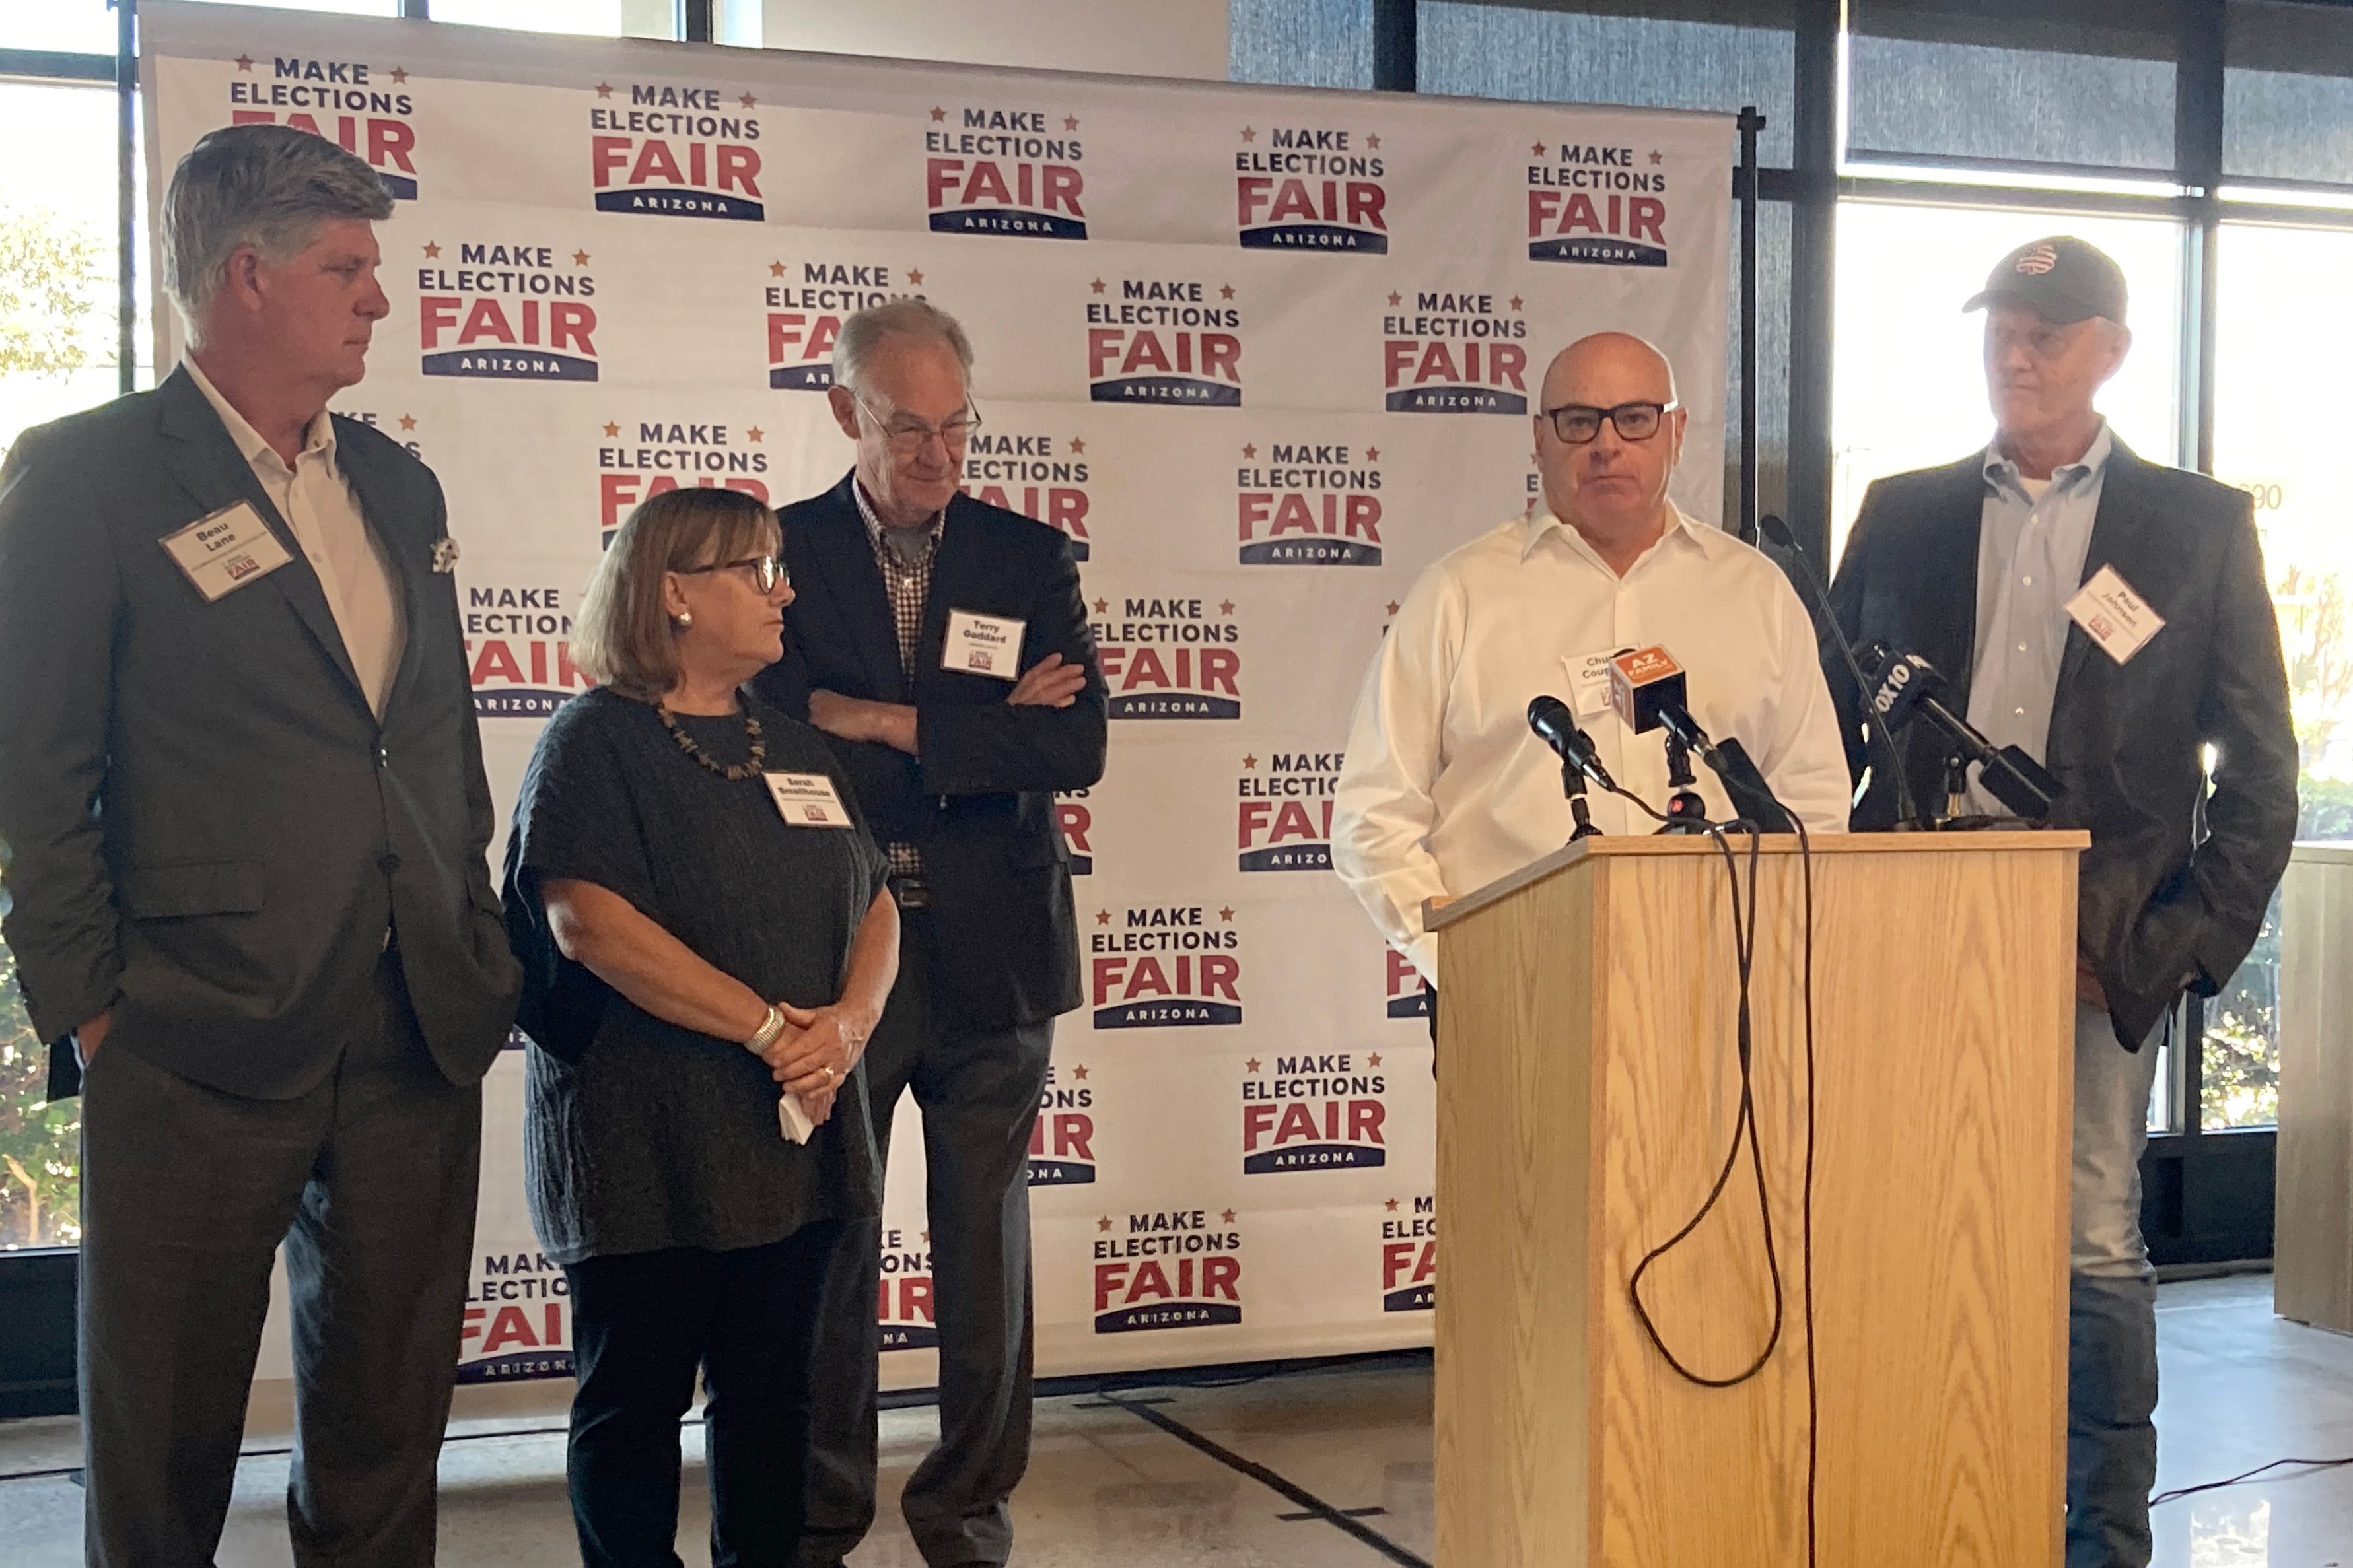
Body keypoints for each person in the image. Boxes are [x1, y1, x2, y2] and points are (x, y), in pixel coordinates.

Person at [0, 124, 522, 1565]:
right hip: (188, 1025)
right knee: (160, 1450)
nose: (377, 299)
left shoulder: (400, 487)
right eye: (346, 268)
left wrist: (466, 923)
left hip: (415, 1018)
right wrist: (93, 1004)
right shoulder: (87, 477)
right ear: (247, 277)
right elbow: (33, 769)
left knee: (384, 1433)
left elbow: (426, 736)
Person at [1826, 236, 2296, 1568]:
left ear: (2110, 348)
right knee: (1906, 1219)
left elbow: (2261, 777)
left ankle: (2099, 1538)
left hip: (2095, 941)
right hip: (1911, 924)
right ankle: (1924, 1503)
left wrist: (2165, 947)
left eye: (2046, 329)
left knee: (2088, 1226)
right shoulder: (1900, 509)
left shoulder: (2194, 526)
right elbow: (1816, 731)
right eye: (2000, 328)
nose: (2015, 352)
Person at [751, 298, 1106, 1568]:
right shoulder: (772, 553)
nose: (937, 456)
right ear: (845, 412)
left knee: (984, 1254)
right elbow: (772, 725)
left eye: (957, 428)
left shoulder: (1026, 558)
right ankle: (818, 1514)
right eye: (907, 429)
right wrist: (973, 727)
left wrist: (888, 722)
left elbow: (1074, 745)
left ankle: (965, 1514)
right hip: (836, 942)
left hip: (996, 952)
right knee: (832, 1244)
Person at [501, 485, 900, 1568]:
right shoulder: (595, 740)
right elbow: (589, 925)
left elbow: (874, 901)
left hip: (791, 1149)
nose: (787, 590)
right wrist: (775, 1033)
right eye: (755, 570)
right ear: (673, 591)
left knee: (772, 1408)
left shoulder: (797, 746)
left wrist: (849, 1031)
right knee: (632, 1414)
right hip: (646, 1146)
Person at [1331, 330, 1850, 992]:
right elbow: (1371, 818)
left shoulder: (1755, 593)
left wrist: (1767, 950)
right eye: (1579, 422)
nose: (1606, 445)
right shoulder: (1458, 595)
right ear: (1539, 438)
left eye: (1634, 419)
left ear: (1676, 430)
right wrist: (1467, 964)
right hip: (1516, 993)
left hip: (1723, 992)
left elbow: (1813, 800)